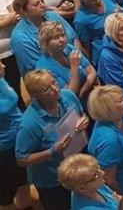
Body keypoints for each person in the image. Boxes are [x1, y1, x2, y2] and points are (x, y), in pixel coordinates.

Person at [15, 69, 89, 210]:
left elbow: (82, 114)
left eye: (54, 82)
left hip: (78, 167)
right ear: (35, 95)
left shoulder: (68, 96)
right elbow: (21, 159)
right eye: (46, 89)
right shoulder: (29, 124)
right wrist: (52, 151)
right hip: (53, 182)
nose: (55, 89)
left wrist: (84, 120)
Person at [87, 85, 123, 194]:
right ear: (107, 109)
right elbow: (109, 180)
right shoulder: (109, 140)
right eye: (120, 101)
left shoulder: (121, 116)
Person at [10, 0, 79, 74]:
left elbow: (74, 39)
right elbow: (38, 69)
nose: (42, 5)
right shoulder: (20, 38)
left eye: (42, 1)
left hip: (76, 65)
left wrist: (82, 64)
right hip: (50, 78)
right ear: (22, 10)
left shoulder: (53, 16)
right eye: (36, 4)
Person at [36, 20, 96, 97]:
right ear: (45, 42)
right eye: (55, 37)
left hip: (87, 94)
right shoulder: (44, 67)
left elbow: (92, 72)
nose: (62, 39)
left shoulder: (70, 48)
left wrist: (82, 91)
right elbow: (68, 95)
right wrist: (74, 68)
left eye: (63, 35)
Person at [0, 59, 28, 210]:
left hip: (19, 138)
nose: (3, 65)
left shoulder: (1, 79)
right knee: (6, 191)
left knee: (23, 179)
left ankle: (26, 206)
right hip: (3, 149)